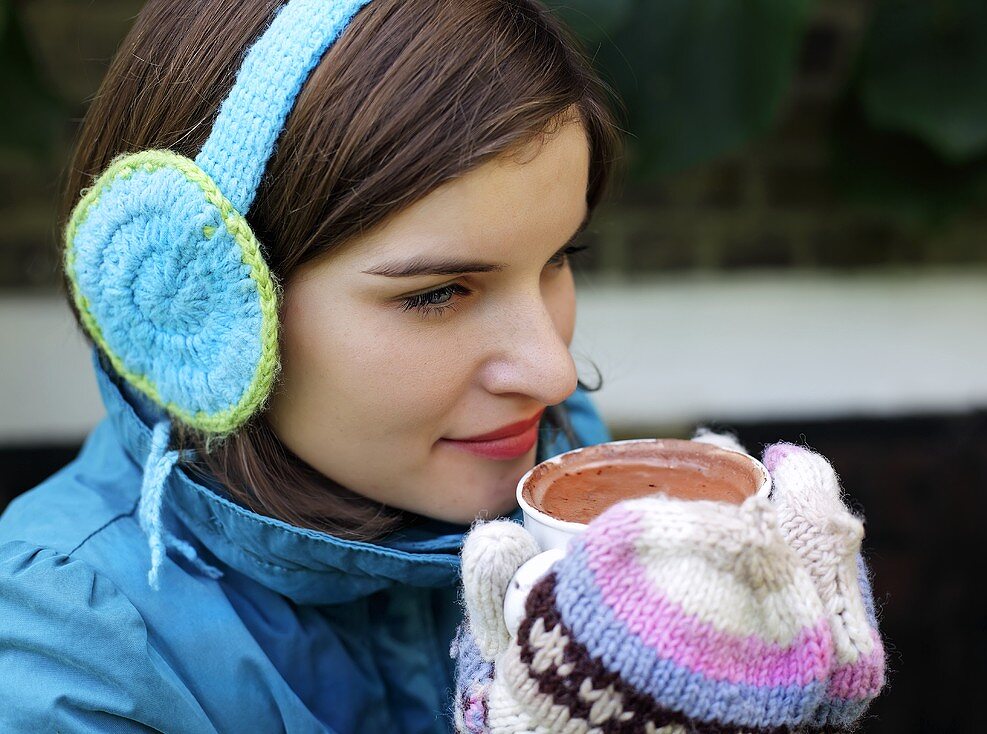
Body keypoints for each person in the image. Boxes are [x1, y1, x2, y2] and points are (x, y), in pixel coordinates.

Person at [0, 1, 622, 731]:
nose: (552, 375)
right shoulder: (71, 651)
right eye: (438, 294)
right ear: (208, 302)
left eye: (558, 259)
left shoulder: (558, 461)